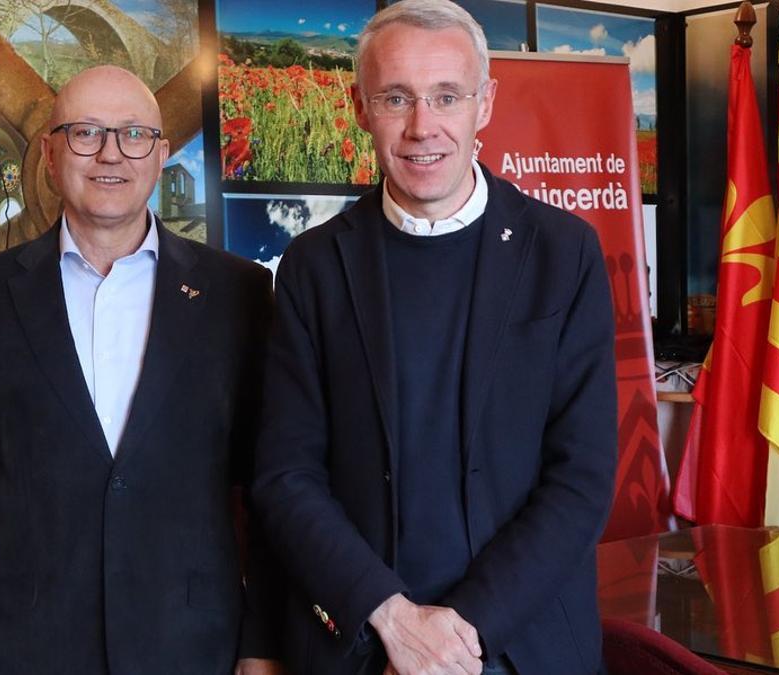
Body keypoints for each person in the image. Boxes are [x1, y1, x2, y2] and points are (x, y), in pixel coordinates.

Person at [251, 1, 618, 673]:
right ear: (362, 108)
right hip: (359, 647)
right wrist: (392, 619)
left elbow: (582, 478)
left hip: (521, 647)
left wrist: (455, 635)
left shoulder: (565, 254)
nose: (424, 126)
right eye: (397, 98)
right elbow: (286, 474)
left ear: (484, 103)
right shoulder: (313, 266)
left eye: (446, 96)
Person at [0, 66, 282, 674]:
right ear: (51, 154)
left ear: (160, 156)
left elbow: (269, 488)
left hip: (198, 649)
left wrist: (264, 644)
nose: (110, 153)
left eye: (133, 134)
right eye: (85, 133)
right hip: (33, 652)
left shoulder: (237, 294)